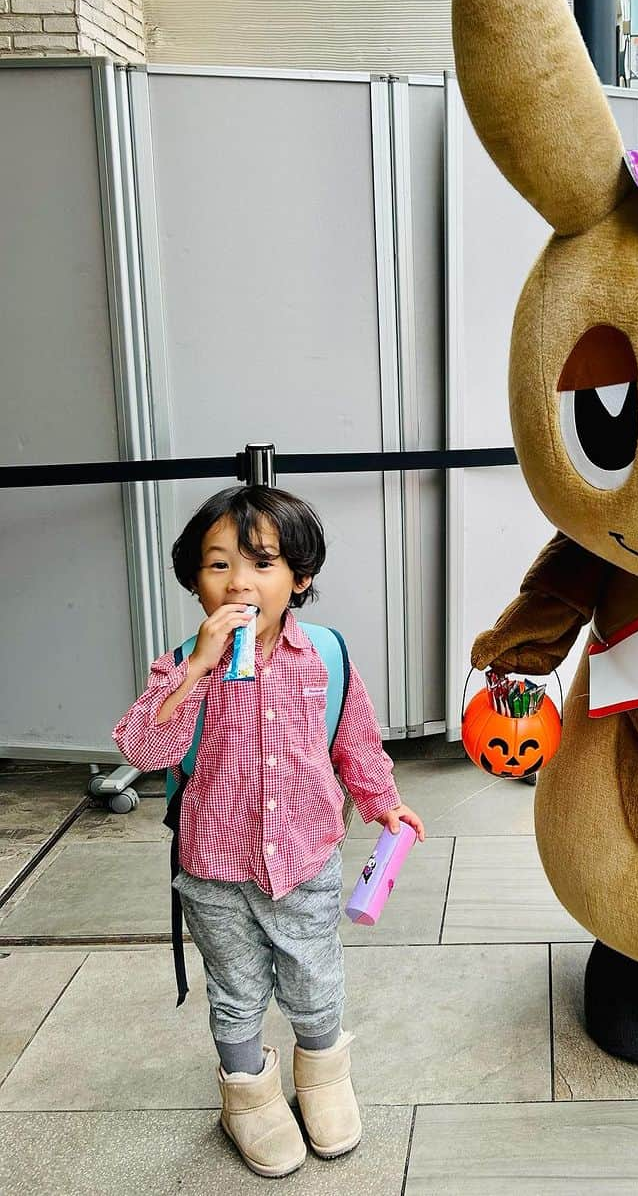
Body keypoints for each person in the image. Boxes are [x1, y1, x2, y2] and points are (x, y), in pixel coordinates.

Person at [113, 485, 424, 1179]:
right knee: (236, 988)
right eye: (217, 564)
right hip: (214, 870)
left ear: (299, 579)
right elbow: (142, 749)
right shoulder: (182, 664)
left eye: (262, 563)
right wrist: (195, 667)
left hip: (306, 859)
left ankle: (322, 1080)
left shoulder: (325, 655)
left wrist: (384, 804)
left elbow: (355, 740)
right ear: (195, 581)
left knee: (315, 978)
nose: (240, 582)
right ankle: (247, 1097)